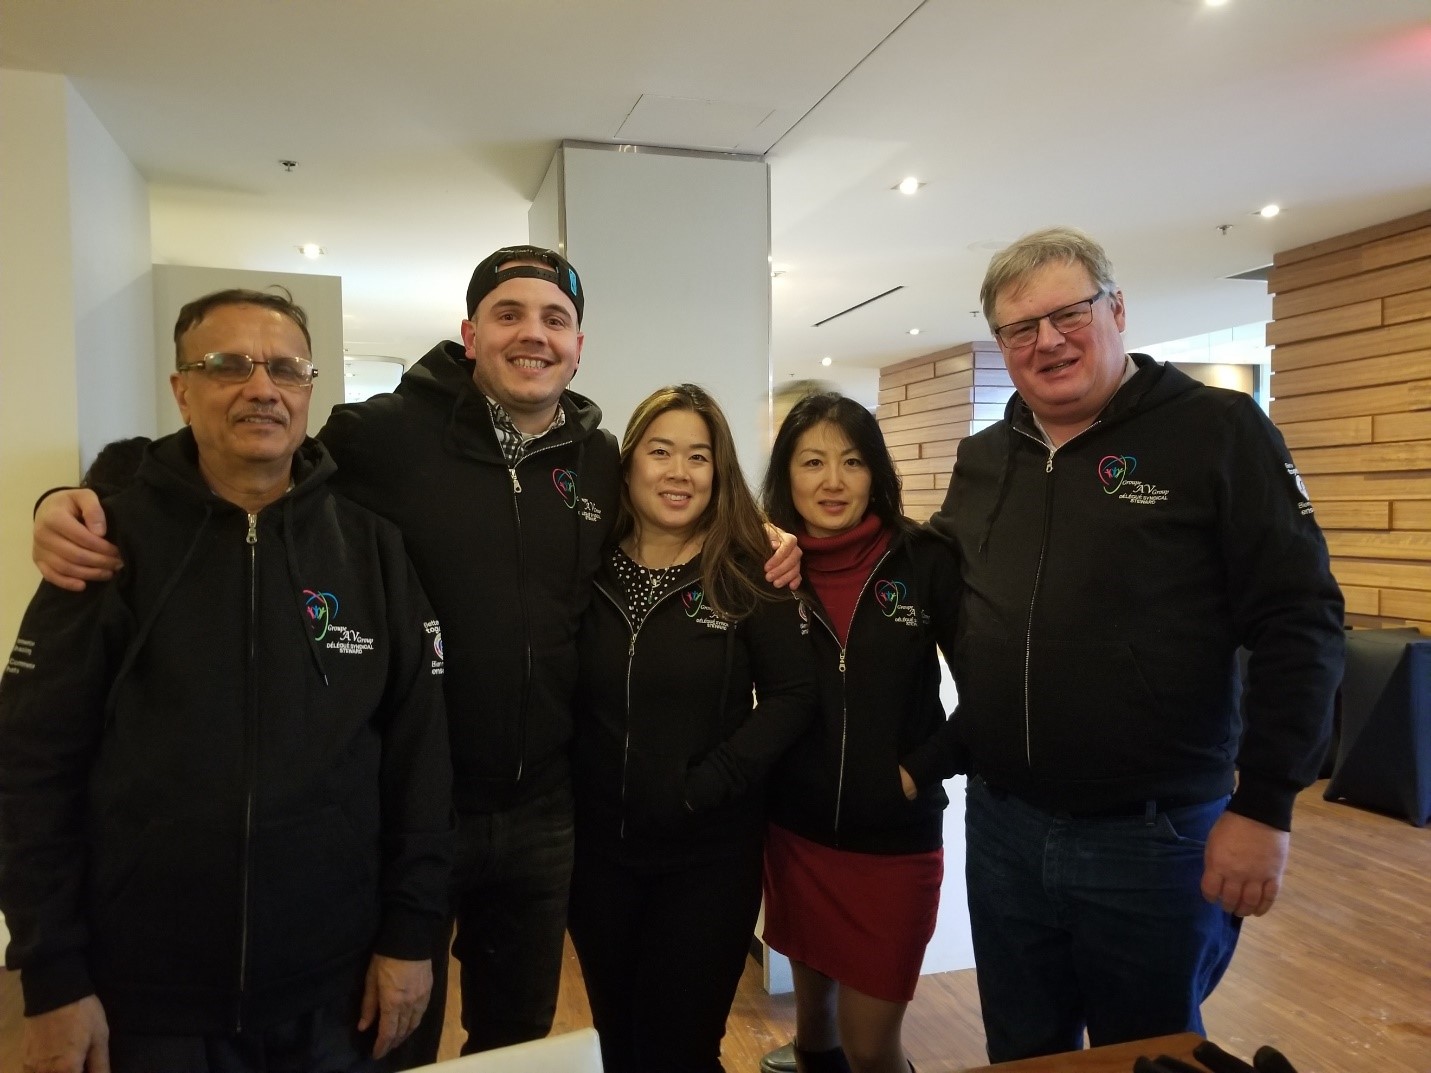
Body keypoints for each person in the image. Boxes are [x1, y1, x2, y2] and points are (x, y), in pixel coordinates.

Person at [29, 246, 800, 1064]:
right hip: (414, 809)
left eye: (554, 319)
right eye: (508, 314)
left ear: (580, 346)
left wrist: (765, 538)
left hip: (544, 811)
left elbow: (681, 514)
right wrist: (86, 497)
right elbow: (249, 452)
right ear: (470, 333)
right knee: (397, 1033)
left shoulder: (600, 459)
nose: (532, 335)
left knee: (517, 1042)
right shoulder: (383, 434)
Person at [0, 289, 452, 1073]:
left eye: (284, 368)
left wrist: (412, 935)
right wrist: (52, 974)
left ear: (310, 389)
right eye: (227, 365)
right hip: (148, 998)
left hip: (334, 991)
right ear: (181, 387)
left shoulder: (371, 551)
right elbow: (29, 768)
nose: (261, 388)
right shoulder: (104, 544)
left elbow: (419, 759)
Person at [928, 227, 1345, 1061]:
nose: (1046, 340)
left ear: (1115, 308)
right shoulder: (984, 458)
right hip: (1005, 828)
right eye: (1019, 328)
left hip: (1152, 841)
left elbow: (1299, 620)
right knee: (1023, 1048)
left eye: (1067, 312)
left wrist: (1264, 804)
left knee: (1148, 1055)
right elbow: (941, 588)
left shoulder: (1218, 433)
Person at [566, 384, 817, 1073]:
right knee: (618, 1041)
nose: (678, 472)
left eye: (698, 456)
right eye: (661, 451)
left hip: (706, 857)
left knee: (681, 1046)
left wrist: (707, 784)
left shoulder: (748, 569)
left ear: (719, 470)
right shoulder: (585, 566)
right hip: (598, 859)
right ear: (628, 463)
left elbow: (795, 695)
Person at [757, 393, 962, 1073]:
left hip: (893, 843)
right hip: (796, 835)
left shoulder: (924, 559)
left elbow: (993, 692)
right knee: (815, 1030)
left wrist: (915, 770)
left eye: (850, 461)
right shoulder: (767, 568)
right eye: (811, 461)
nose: (832, 481)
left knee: (871, 1045)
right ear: (786, 474)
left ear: (875, 470)